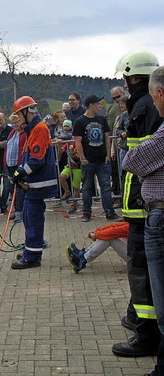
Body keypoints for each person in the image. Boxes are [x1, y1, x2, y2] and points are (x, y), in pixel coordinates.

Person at [114, 52, 163, 360]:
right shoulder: (145, 107)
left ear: (134, 78)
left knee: (141, 270)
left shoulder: (144, 108)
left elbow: (138, 160)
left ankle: (145, 335)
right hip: (144, 203)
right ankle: (141, 321)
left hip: (142, 206)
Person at [10, 96, 58, 269]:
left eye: (18, 115)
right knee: (30, 218)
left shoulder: (39, 129)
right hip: (34, 183)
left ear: (26, 112)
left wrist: (21, 172)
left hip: (38, 184)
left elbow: (37, 160)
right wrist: (20, 172)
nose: (17, 120)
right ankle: (31, 251)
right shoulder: (33, 129)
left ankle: (32, 257)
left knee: (32, 218)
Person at [73, 94, 119, 222]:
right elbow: (78, 141)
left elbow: (107, 138)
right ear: (91, 105)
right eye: (97, 104)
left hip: (102, 160)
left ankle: (110, 212)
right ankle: (86, 213)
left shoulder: (102, 120)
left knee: (106, 187)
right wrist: (82, 158)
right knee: (87, 187)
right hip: (88, 161)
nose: (100, 106)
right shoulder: (80, 122)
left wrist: (108, 155)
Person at [5, 114, 27, 223]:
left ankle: (20, 212)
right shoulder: (12, 133)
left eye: (16, 122)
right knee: (12, 187)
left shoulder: (24, 134)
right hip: (10, 165)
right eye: (13, 123)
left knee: (19, 188)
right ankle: (16, 209)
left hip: (19, 165)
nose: (14, 125)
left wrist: (21, 165)